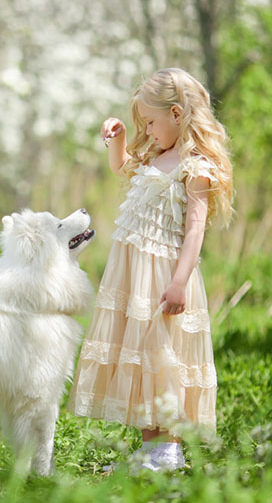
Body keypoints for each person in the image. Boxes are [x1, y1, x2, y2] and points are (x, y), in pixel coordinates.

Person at [68, 67, 233, 472]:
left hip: (163, 276)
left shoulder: (195, 168)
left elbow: (195, 230)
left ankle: (168, 449)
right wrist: (119, 139)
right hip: (133, 272)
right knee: (139, 353)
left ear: (176, 114)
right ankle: (150, 448)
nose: (149, 130)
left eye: (151, 122)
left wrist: (179, 282)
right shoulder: (157, 156)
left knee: (163, 355)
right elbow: (122, 167)